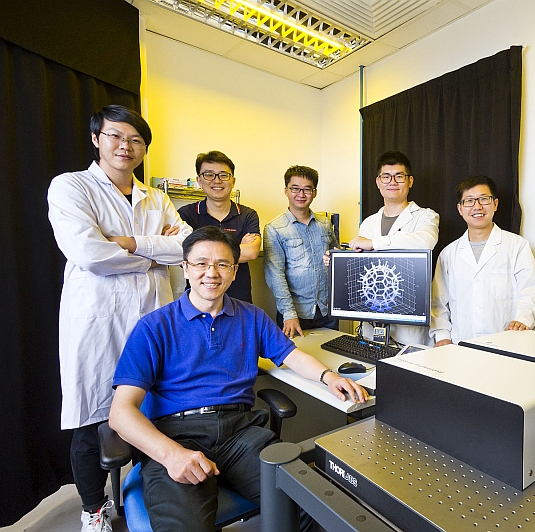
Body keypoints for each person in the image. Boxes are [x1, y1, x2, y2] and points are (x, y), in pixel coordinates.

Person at [109, 226, 367, 532]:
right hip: (176, 434)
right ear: (185, 268)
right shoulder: (154, 327)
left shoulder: (252, 316)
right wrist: (171, 455)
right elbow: (121, 413)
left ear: (234, 272)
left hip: (241, 433)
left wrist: (329, 376)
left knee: (312, 508)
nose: (211, 273)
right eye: (201, 263)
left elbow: (292, 355)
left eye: (222, 264)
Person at [47, 105, 192, 532]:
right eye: (115, 136)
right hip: (98, 324)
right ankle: (93, 509)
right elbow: (89, 253)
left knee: (155, 413)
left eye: (135, 140)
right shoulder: (71, 187)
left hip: (153, 322)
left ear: (144, 148)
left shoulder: (157, 197)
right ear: (97, 139)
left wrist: (127, 242)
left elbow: (186, 247)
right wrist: (153, 253)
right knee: (92, 422)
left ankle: (151, 494)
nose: (125, 146)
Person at [430, 175, 535, 346]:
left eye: (484, 199)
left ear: (495, 204)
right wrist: (442, 336)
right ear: (460, 208)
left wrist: (523, 320)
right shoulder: (448, 254)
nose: (477, 206)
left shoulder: (517, 246)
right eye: (469, 201)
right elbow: (438, 303)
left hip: (507, 343)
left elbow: (534, 292)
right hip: (460, 344)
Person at [348, 150, 439, 346]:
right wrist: (338, 260)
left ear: (410, 181)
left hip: (408, 324)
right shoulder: (368, 223)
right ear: (378, 182)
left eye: (399, 176)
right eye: (386, 177)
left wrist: (374, 243)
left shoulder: (425, 216)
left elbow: (426, 242)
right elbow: (361, 265)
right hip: (372, 319)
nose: (392, 182)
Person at [264, 165, 339, 338]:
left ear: (314, 192)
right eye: (295, 188)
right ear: (286, 190)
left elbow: (335, 261)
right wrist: (289, 314)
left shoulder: (325, 224)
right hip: (295, 314)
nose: (301, 194)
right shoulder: (275, 229)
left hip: (327, 310)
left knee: (333, 352)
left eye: (307, 189)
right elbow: (275, 276)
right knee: (296, 354)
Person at [177, 151, 261, 302]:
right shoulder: (186, 214)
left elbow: (252, 252)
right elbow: (181, 254)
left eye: (223, 175)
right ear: (199, 180)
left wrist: (201, 257)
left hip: (240, 300)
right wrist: (238, 248)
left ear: (233, 181)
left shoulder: (247, 215)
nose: (217, 180)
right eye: (209, 175)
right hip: (198, 301)